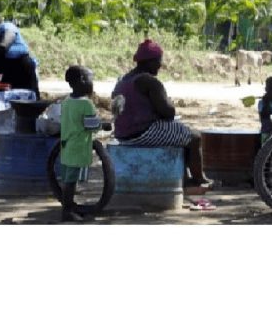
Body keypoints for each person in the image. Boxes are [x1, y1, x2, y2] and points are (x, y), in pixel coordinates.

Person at [111, 38, 212, 188]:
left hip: (122, 135)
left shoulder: (123, 80)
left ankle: (184, 177)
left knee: (178, 132)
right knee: (194, 137)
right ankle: (199, 178)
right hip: (143, 133)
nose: (160, 65)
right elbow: (168, 112)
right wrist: (168, 103)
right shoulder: (149, 81)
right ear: (150, 61)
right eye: (158, 61)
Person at [59, 65, 108, 222]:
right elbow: (91, 126)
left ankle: (68, 207)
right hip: (78, 146)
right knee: (71, 181)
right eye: (90, 79)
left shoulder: (67, 101)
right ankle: (67, 211)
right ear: (82, 80)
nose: (92, 83)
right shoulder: (86, 104)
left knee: (67, 179)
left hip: (66, 145)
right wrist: (103, 125)